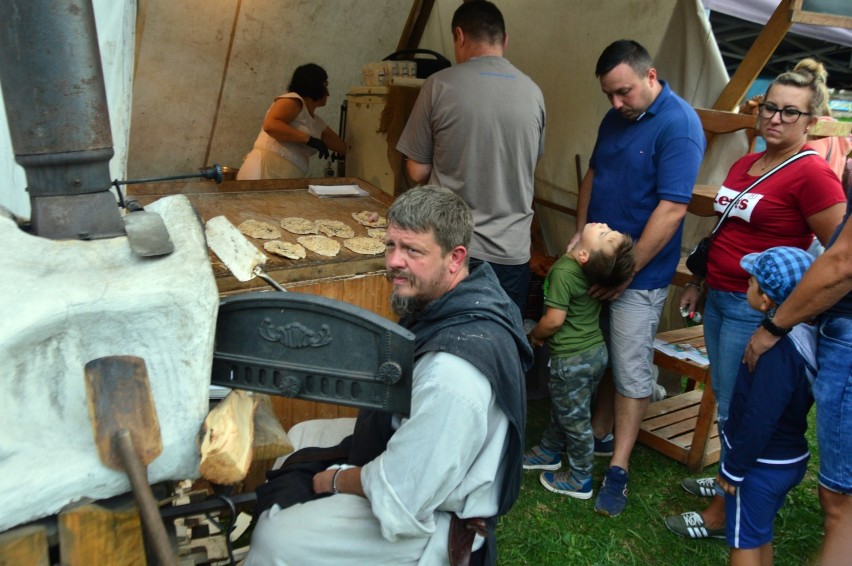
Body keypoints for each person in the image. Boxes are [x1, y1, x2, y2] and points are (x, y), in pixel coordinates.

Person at [244, 186, 532, 566]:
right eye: (391, 245)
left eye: (413, 250)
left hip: (432, 519)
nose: (394, 261)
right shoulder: (460, 294)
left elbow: (401, 491)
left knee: (275, 538)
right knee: (300, 437)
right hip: (414, 457)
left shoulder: (453, 373)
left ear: (455, 257)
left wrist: (330, 479)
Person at [666, 60, 846, 539]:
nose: (776, 119)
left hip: (758, 308)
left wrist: (784, 319)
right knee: (727, 398)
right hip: (722, 295)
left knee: (742, 409)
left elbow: (838, 256)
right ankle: (730, 479)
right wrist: (699, 281)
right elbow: (724, 231)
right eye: (771, 107)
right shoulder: (746, 161)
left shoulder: (813, 175)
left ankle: (724, 515)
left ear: (811, 122)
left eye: (791, 113)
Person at [570, 39, 706, 517]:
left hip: (639, 277)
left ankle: (620, 468)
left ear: (651, 77)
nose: (615, 104)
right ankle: (601, 432)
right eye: (609, 94)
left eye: (623, 92)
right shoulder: (616, 117)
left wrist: (628, 274)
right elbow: (593, 174)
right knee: (603, 353)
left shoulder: (680, 125)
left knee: (630, 368)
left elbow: (671, 210)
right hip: (598, 262)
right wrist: (578, 236)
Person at [396, 0, 546, 316]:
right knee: (499, 346)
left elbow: (416, 170)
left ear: (460, 37)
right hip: (511, 255)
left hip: (452, 250)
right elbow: (530, 163)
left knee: (443, 343)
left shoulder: (439, 85)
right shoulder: (534, 93)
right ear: (504, 41)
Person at [743, 165, 852, 565]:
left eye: (751, 283)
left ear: (768, 299)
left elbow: (760, 412)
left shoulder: (778, 351)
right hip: (787, 457)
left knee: (840, 499)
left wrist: (734, 467)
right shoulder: (803, 348)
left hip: (761, 463)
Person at [523, 223, 634, 500]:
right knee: (569, 406)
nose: (603, 225)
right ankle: (549, 451)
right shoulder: (591, 268)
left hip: (572, 360)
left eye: (604, 234)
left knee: (576, 422)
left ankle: (579, 478)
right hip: (595, 354)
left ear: (584, 255)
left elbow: (554, 321)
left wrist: (533, 336)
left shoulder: (563, 271)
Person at [237, 63, 346, 180]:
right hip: (264, 170)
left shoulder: (317, 123)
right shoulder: (293, 101)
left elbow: (345, 149)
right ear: (314, 85)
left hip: (286, 177)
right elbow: (270, 125)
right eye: (325, 85)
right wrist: (309, 140)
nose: (328, 93)